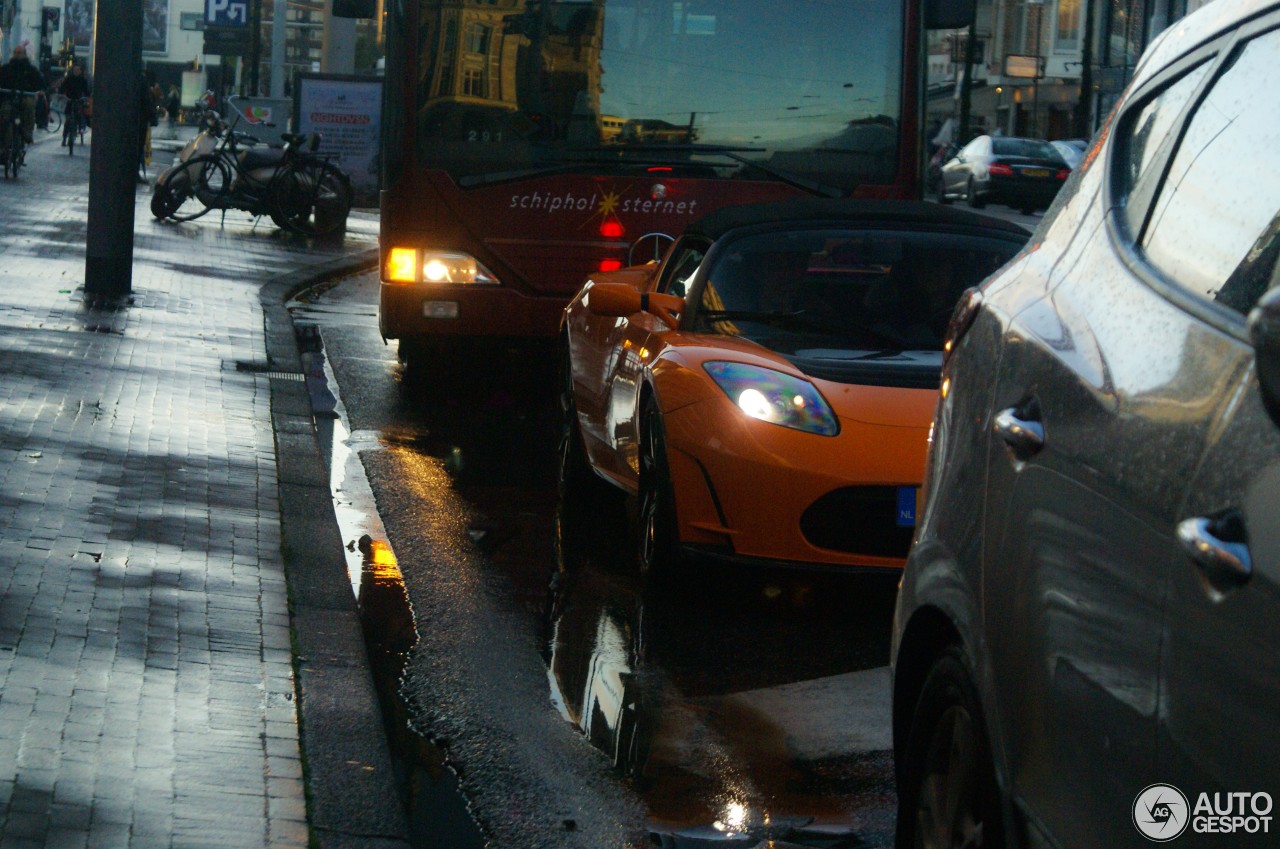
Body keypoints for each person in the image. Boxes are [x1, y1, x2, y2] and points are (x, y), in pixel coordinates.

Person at [0, 45, 46, 147]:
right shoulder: (6, 68)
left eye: (19, 53)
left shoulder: (31, 69)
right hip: (9, 97)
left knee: (29, 106)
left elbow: (39, 82)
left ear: (24, 55)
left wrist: (41, 90)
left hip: (26, 96)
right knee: (4, 111)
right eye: (15, 53)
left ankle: (27, 132)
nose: (17, 55)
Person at [58, 63, 91, 146]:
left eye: (78, 70)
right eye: (75, 70)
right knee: (68, 120)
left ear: (80, 71)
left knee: (79, 115)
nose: (76, 71)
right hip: (69, 100)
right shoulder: (68, 79)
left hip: (78, 100)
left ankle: (80, 128)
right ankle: (65, 137)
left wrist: (86, 97)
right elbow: (62, 88)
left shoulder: (83, 80)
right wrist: (63, 95)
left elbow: (86, 91)